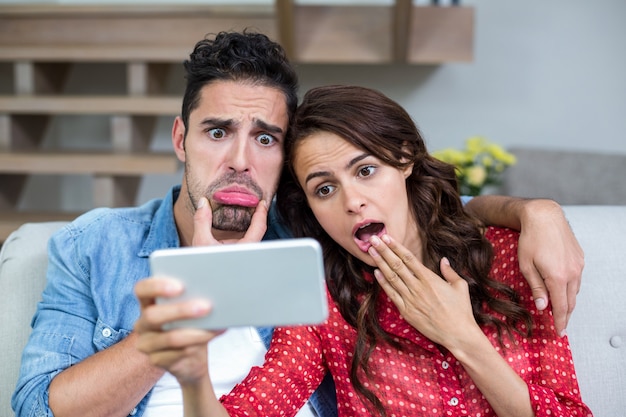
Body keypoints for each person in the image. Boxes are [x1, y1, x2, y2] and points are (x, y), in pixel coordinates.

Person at [12, 29, 582, 417]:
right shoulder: (95, 245)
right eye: (217, 132)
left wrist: (537, 210)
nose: (239, 158)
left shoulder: (318, 250)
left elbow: (441, 212)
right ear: (181, 140)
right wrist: (190, 316)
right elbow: (38, 405)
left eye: (264, 138)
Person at [134, 84, 592, 417]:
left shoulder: (509, 256)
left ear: (406, 159)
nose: (351, 201)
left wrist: (463, 338)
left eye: (366, 171)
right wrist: (193, 378)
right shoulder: (328, 302)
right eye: (325, 188)